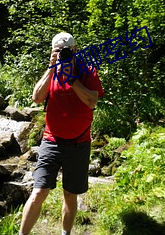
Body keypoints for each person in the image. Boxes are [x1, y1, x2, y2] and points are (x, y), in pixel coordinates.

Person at [19, 32, 105, 235]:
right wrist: (51, 69)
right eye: (58, 50)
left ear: (75, 51)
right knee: (39, 190)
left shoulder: (87, 71)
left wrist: (72, 79)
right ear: (52, 51)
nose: (63, 54)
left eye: (67, 51)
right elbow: (37, 98)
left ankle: (65, 233)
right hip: (52, 141)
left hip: (79, 142)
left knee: (70, 194)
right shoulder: (51, 72)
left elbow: (92, 101)